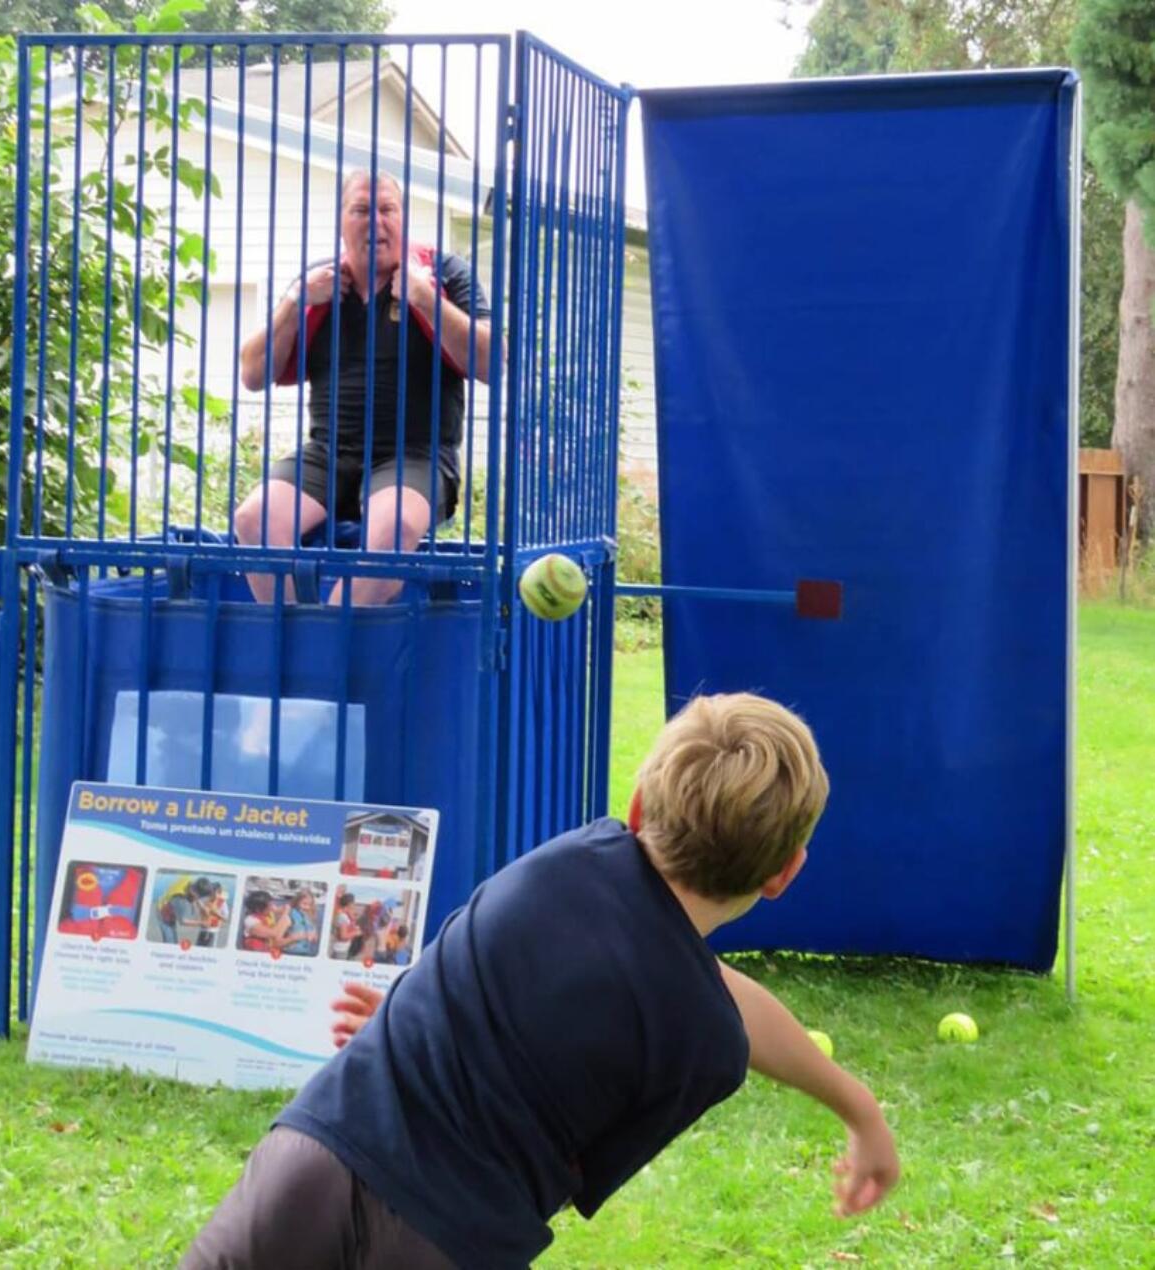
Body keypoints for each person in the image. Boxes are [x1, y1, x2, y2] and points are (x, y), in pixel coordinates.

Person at [181, 694, 900, 1269]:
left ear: (641, 808)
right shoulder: (706, 1048)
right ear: (784, 874)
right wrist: (861, 1112)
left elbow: (686, 976)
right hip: (450, 1243)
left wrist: (429, 1017)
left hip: (313, 1162)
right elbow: (579, 1162)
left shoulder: (576, 858)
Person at [235, 169, 494, 606]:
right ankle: (303, 651)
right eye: (360, 210)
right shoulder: (318, 282)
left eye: (387, 210)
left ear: (403, 219)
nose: (376, 222)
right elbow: (253, 374)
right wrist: (293, 302)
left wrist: (426, 298)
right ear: (341, 222)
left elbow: (496, 362)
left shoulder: (444, 273)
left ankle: (325, 654)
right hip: (329, 451)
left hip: (416, 453)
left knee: (390, 532)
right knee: (253, 520)